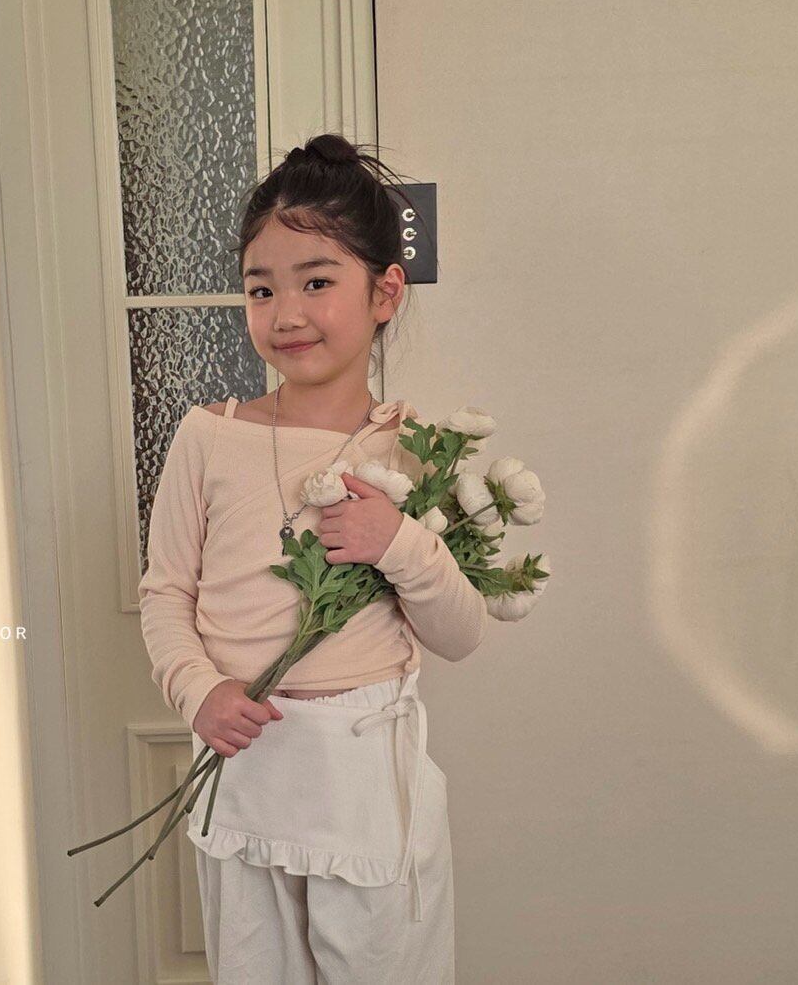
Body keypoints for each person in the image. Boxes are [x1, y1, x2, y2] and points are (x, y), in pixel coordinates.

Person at [136, 133, 489, 984]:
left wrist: (398, 541)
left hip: (367, 777)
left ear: (385, 291)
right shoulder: (208, 436)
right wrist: (199, 689)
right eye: (262, 288)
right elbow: (165, 593)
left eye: (317, 282)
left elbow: (461, 631)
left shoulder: (417, 452)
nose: (286, 313)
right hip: (248, 764)